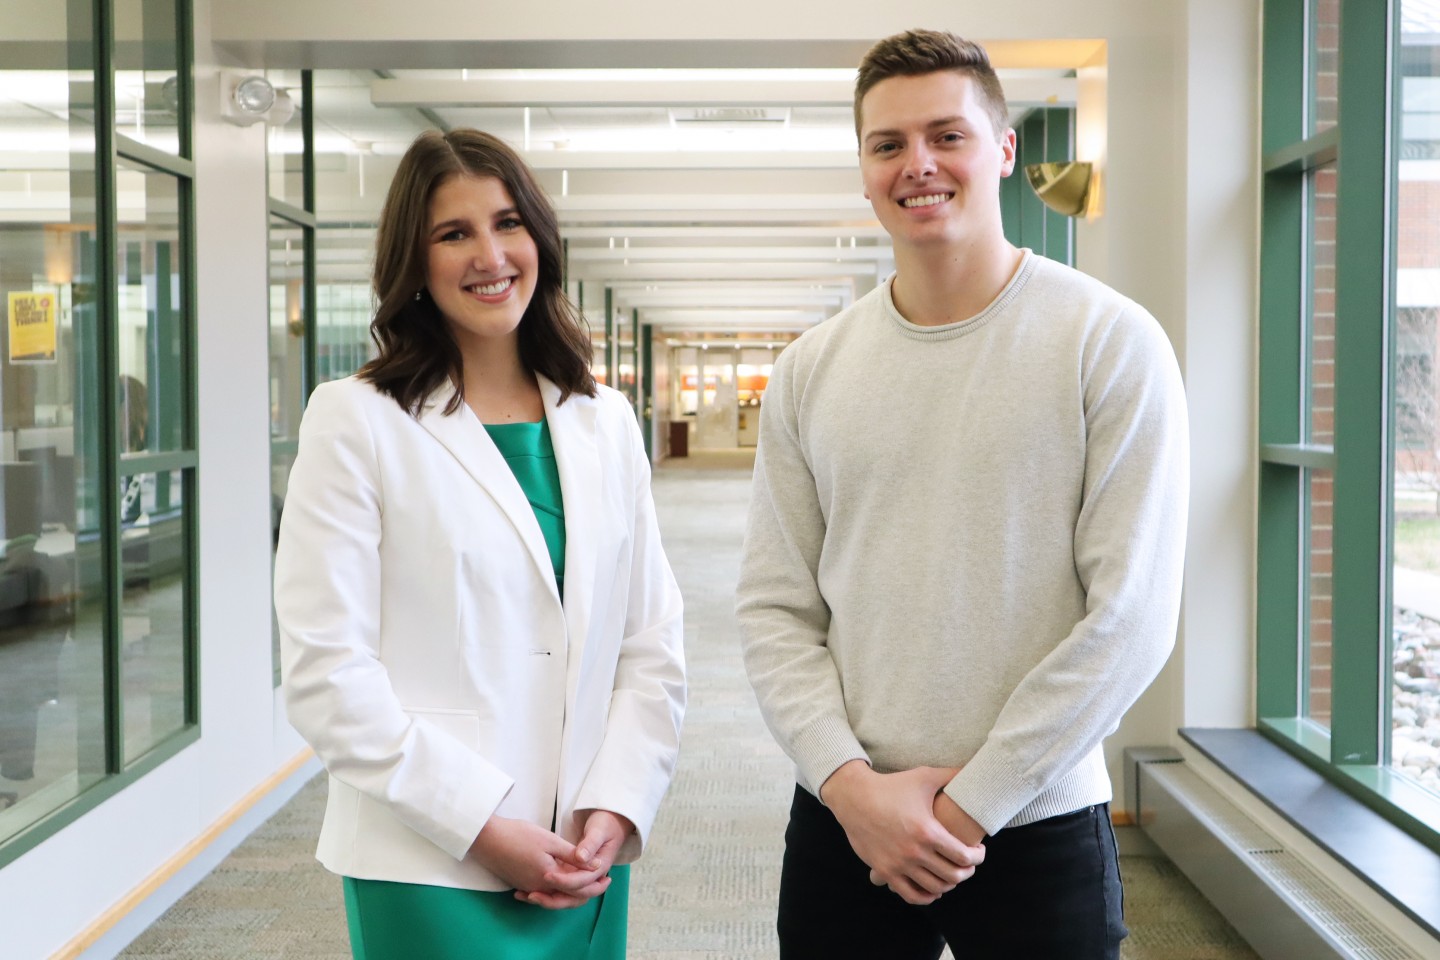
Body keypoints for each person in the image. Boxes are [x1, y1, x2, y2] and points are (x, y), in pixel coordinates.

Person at [735, 29, 1188, 960]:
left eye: (947, 135)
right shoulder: (811, 369)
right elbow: (775, 607)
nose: (918, 165)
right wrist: (852, 787)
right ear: (863, 167)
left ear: (1006, 149)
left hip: (1035, 818)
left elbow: (1130, 617)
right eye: (887, 144)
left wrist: (966, 805)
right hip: (846, 819)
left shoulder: (1107, 341)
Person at [274, 128, 686, 960]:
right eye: (453, 234)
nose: (489, 255)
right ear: (413, 264)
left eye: (508, 224)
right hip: (429, 849)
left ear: (540, 237)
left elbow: (649, 645)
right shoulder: (355, 420)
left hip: (581, 845)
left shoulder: (602, 422)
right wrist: (481, 824)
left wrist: (617, 803)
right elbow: (327, 672)